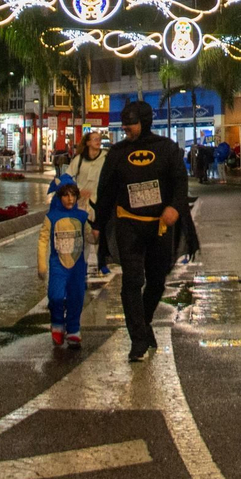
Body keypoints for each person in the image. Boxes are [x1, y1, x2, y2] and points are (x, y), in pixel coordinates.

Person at [94, 100, 189, 362]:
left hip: (160, 226)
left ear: (145, 122)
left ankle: (143, 324)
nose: (126, 128)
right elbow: (106, 191)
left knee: (157, 281)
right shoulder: (117, 153)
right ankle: (137, 340)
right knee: (132, 280)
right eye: (124, 123)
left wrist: (175, 207)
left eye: (131, 123)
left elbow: (180, 182)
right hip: (128, 225)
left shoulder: (166, 148)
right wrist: (98, 224)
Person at [38, 174, 93, 347]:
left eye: (73, 195)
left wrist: (96, 234)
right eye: (66, 195)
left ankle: (73, 329)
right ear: (59, 196)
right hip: (58, 266)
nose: (70, 199)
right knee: (55, 296)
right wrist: (41, 265)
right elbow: (43, 240)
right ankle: (57, 323)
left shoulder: (82, 216)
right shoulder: (51, 217)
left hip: (77, 266)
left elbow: (90, 237)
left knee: (76, 297)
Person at [64, 129, 108, 273]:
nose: (98, 141)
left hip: (99, 202)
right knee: (83, 236)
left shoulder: (106, 157)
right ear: (88, 142)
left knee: (99, 234)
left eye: (99, 139)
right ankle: (81, 267)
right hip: (82, 204)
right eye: (94, 139)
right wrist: (77, 192)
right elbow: (67, 178)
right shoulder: (79, 160)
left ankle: (101, 263)